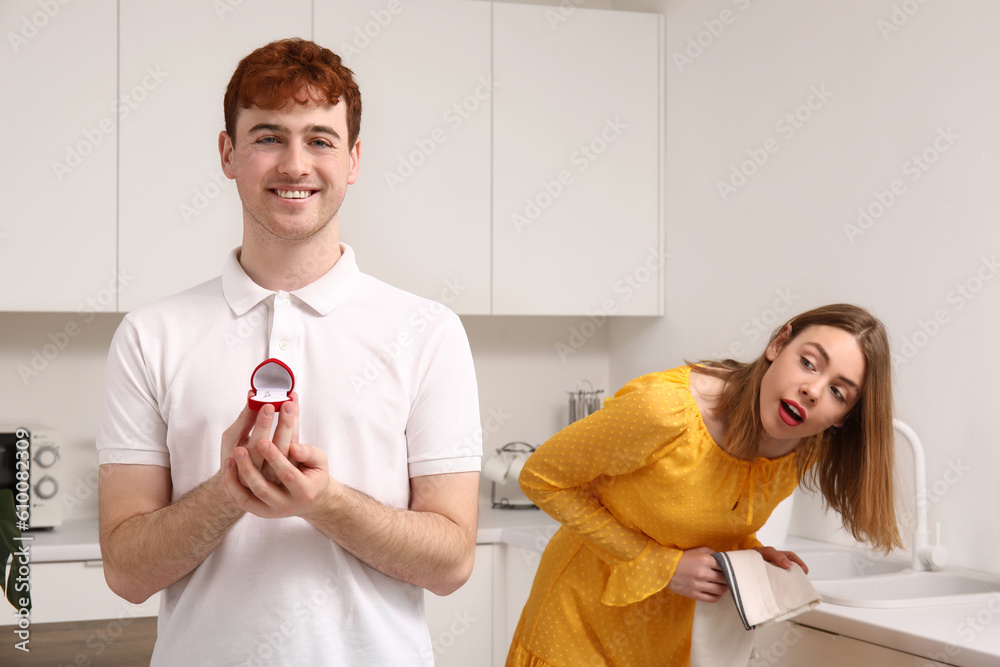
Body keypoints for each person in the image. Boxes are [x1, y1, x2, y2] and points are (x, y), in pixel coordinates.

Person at [96, 38, 482, 666]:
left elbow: (452, 561)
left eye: (321, 140)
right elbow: (127, 573)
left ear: (353, 160)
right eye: (268, 137)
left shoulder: (429, 331)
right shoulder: (149, 335)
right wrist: (229, 491)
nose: (295, 164)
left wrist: (323, 502)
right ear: (229, 153)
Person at [506, 303, 901, 666]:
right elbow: (540, 477)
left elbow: (709, 514)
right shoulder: (663, 410)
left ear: (843, 418)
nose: (813, 391)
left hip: (667, 643)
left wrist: (749, 552)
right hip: (576, 632)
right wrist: (663, 565)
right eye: (809, 362)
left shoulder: (802, 446)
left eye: (837, 392)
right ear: (779, 344)